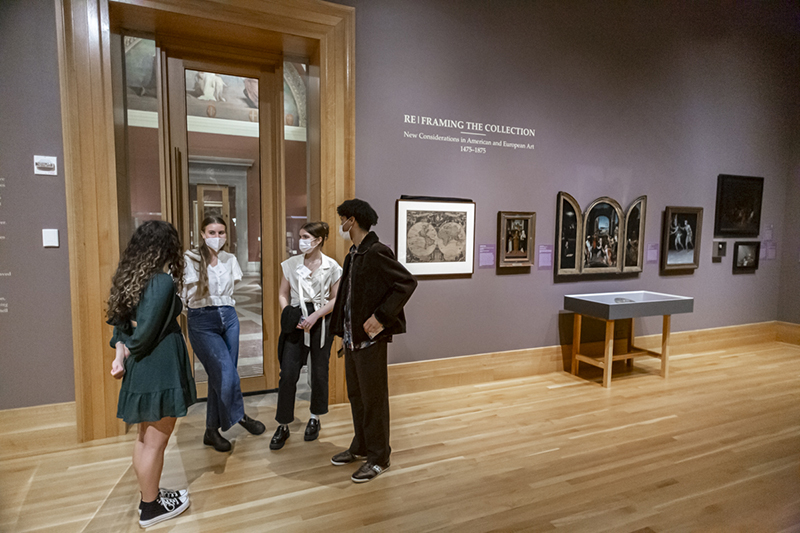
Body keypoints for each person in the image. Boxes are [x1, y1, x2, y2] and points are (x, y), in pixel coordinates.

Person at [107, 220, 196, 528]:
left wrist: (121, 353)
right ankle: (151, 506)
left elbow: (120, 327)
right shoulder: (160, 282)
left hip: (142, 368)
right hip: (159, 367)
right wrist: (129, 349)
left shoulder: (129, 278)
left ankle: (150, 496)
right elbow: (144, 335)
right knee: (156, 442)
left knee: (145, 439)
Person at [329, 199, 417, 483]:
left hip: (370, 342)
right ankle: (362, 446)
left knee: (374, 400)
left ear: (351, 220)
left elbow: (406, 283)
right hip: (354, 341)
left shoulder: (377, 251)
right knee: (357, 397)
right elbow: (348, 298)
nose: (340, 225)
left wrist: (381, 317)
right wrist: (343, 334)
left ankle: (380, 457)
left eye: (342, 219)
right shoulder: (353, 254)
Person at [181, 215, 265, 452]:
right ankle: (239, 416)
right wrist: (197, 318)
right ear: (202, 234)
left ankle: (211, 430)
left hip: (229, 317)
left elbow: (229, 292)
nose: (217, 237)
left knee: (222, 376)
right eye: (211, 233)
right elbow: (182, 297)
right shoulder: (190, 259)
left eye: (221, 233)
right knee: (225, 374)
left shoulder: (230, 259)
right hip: (202, 320)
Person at [270, 222, 342, 450]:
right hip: (296, 321)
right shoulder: (291, 264)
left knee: (319, 372)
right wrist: (289, 314)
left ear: (319, 239)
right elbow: (282, 293)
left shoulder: (332, 267)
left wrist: (315, 316)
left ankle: (315, 417)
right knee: (288, 373)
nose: (301, 240)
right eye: (300, 236)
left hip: (321, 320)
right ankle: (283, 424)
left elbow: (335, 298)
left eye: (306, 236)